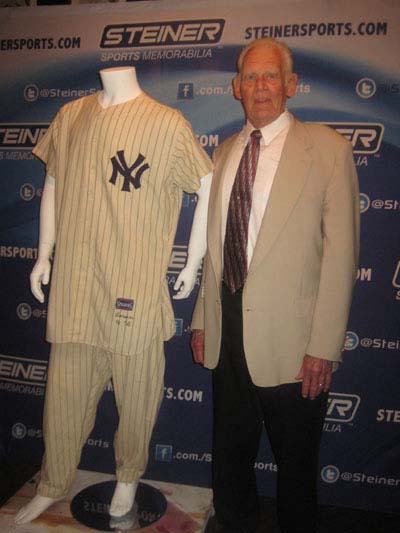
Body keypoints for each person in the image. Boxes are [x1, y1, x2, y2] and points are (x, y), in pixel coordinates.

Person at [15, 66, 212, 525]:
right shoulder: (70, 115)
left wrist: (192, 263)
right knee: (64, 393)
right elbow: (54, 184)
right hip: (75, 285)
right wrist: (44, 254)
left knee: (137, 392)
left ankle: (128, 477)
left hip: (133, 285)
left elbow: (206, 184)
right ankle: (52, 482)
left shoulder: (166, 123)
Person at [191, 38, 359, 533]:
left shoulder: (328, 150)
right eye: (250, 77)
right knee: (231, 458)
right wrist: (204, 319)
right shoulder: (223, 153)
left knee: (297, 466)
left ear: (290, 85)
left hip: (295, 342)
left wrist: (323, 347)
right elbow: (215, 247)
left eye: (271, 77)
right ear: (236, 88)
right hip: (228, 333)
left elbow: (342, 256)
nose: (260, 87)